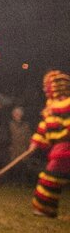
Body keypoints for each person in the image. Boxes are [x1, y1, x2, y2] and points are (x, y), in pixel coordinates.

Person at [29, 70, 70, 218]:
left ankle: (45, 209)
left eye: (46, 86)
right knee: (52, 178)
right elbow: (45, 126)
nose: (44, 89)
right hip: (60, 148)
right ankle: (48, 210)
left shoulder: (67, 104)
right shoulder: (51, 107)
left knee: (50, 177)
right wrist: (35, 143)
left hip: (65, 149)